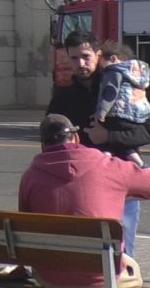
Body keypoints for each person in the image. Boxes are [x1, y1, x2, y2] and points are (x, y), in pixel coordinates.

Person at [20, 114, 148, 288]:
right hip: (104, 277)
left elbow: (25, 227)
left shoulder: (30, 177)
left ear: (43, 146)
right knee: (133, 270)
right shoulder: (109, 167)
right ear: (76, 138)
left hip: (51, 277)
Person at [53, 30, 144, 252]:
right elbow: (51, 141)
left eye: (86, 56)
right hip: (82, 187)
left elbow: (145, 130)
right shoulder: (62, 96)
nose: (81, 63)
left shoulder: (122, 86)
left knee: (123, 255)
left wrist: (109, 137)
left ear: (97, 53)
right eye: (74, 58)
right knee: (88, 253)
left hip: (123, 185)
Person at [93, 41, 150, 166]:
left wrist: (101, 112)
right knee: (126, 146)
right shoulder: (138, 73)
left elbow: (110, 92)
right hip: (138, 118)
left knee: (106, 141)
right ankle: (140, 164)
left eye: (102, 66)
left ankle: (105, 159)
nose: (102, 70)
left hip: (119, 114)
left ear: (113, 58)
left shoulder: (114, 71)